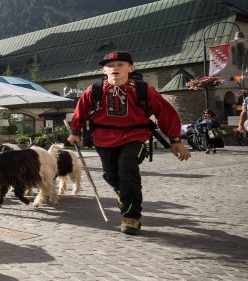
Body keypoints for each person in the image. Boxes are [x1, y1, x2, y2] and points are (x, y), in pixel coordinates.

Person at [67, 51, 190, 236]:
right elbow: (80, 111)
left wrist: (175, 140)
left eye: (120, 64)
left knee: (127, 167)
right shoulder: (94, 90)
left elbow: (166, 112)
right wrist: (75, 132)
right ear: (104, 70)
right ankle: (122, 193)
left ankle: (131, 217)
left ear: (131, 68)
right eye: (110, 65)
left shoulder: (143, 90)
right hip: (103, 138)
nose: (115, 68)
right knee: (111, 175)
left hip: (135, 136)